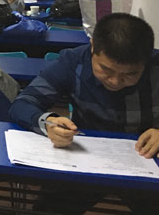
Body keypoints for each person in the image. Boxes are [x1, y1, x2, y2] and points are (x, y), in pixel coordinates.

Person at [9, 13, 159, 213]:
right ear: (93, 47)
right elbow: (23, 103)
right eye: (106, 70)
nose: (115, 81)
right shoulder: (73, 62)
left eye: (130, 74)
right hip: (84, 159)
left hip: (147, 161)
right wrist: (48, 122)